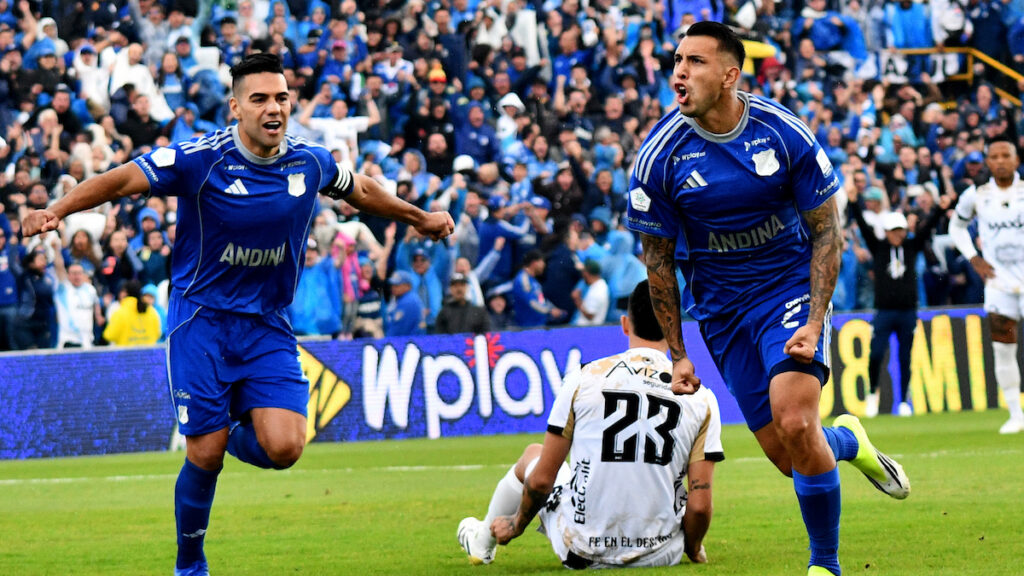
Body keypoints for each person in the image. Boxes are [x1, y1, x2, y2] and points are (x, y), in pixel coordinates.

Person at [20, 53, 454, 576]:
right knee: (204, 454)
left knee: (286, 447)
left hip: (267, 323)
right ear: (235, 107)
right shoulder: (200, 160)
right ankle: (190, 563)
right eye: (260, 99)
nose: (274, 108)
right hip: (201, 321)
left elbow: (359, 190)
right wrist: (57, 210)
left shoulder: (309, 162)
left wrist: (420, 217)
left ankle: (225, 426)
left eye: (282, 98)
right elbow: (119, 180)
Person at [624, 22, 909, 576]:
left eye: (696, 62)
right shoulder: (658, 158)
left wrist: (816, 316)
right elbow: (657, 263)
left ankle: (824, 565)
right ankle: (849, 440)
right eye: (677, 60)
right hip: (722, 312)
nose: (679, 72)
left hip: (787, 291)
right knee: (787, 455)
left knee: (797, 424)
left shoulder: (783, 134)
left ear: (730, 74)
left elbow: (828, 231)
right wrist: (678, 354)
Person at [456, 280, 723, 568]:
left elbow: (543, 479)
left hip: (582, 549)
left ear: (624, 324)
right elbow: (698, 506)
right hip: (661, 555)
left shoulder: (584, 378)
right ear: (675, 329)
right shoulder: (700, 398)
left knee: (534, 454)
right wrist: (692, 548)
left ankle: (482, 541)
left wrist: (516, 523)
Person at [849, 190, 952, 417]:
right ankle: (872, 394)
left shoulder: (911, 248)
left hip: (907, 312)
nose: (898, 234)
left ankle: (904, 400)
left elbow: (927, 229)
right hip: (884, 311)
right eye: (894, 230)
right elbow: (863, 228)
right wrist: (854, 202)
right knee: (875, 354)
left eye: (901, 230)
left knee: (905, 356)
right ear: (886, 232)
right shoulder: (878, 248)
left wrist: (941, 209)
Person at [949, 139, 1024, 434]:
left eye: (1006, 155)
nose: (1001, 161)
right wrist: (973, 258)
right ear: (988, 162)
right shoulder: (977, 195)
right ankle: (1016, 414)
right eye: (995, 156)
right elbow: (955, 227)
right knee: (1002, 348)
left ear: (1016, 160)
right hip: (998, 283)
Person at [51, 235, 103, 348]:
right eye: (73, 273)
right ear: (68, 275)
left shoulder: (90, 289)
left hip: (87, 341)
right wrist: (56, 250)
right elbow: (59, 268)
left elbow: (96, 303)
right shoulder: (64, 289)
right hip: (68, 341)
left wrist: (98, 316)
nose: (77, 276)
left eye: (79, 273)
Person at [103, 279, 163, 346]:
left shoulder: (120, 312)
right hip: (149, 354)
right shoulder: (152, 311)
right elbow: (158, 333)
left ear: (126, 293)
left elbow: (109, 335)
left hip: (126, 355)